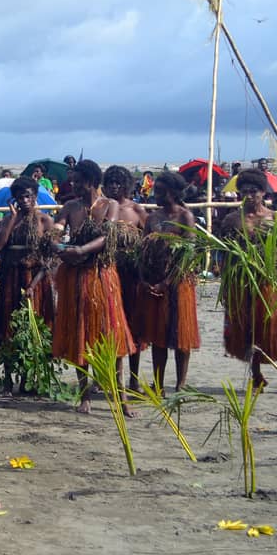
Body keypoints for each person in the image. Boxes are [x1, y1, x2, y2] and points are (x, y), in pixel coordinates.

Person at [218, 168, 277, 413]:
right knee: (249, 328)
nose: (249, 196)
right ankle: (256, 374)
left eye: (254, 191)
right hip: (241, 282)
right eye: (245, 191)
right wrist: (227, 283)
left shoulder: (274, 219)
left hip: (269, 281)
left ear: (263, 193)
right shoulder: (232, 220)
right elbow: (224, 253)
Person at [51, 159, 135, 415]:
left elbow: (106, 236)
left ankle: (121, 398)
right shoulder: (69, 207)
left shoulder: (110, 206)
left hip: (101, 277)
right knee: (80, 334)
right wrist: (57, 245)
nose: (73, 184)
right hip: (74, 277)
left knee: (111, 335)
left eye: (77, 180)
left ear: (90, 181)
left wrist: (82, 250)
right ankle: (84, 394)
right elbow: (56, 231)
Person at [133, 171, 199, 391]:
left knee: (181, 334)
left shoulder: (185, 217)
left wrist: (168, 281)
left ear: (172, 193)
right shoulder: (153, 218)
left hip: (179, 282)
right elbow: (142, 249)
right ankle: (158, 384)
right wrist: (143, 277)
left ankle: (180, 384)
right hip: (155, 280)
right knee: (157, 334)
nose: (156, 195)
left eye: (160, 191)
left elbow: (188, 254)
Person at [0, 176, 58, 383]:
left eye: (28, 196)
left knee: (37, 324)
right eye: (20, 197)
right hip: (11, 278)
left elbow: (50, 258)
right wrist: (10, 220)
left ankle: (35, 377)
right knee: (8, 324)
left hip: (37, 280)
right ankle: (9, 377)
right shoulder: (8, 220)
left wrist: (33, 284)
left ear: (35, 196)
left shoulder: (44, 221)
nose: (24, 201)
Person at [102, 166, 150, 391]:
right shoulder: (100, 208)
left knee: (133, 327)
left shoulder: (136, 210)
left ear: (127, 185)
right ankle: (106, 377)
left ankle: (133, 378)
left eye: (119, 183)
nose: (114, 187)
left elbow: (149, 241)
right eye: (110, 182)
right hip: (106, 271)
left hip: (131, 275)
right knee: (108, 326)